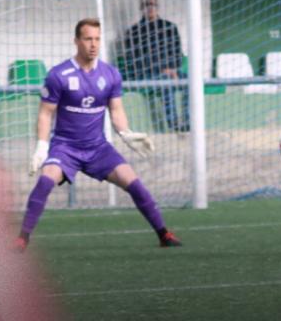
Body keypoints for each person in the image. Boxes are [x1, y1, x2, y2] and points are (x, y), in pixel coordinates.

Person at [15, 18, 182, 251]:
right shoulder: (58, 75)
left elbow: (116, 110)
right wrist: (42, 147)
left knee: (135, 184)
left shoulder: (111, 74)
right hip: (65, 148)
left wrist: (126, 134)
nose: (93, 44)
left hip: (98, 149)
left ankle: (164, 234)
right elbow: (45, 114)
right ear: (76, 41)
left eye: (97, 39)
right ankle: (22, 238)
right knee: (45, 181)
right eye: (88, 39)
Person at [120, 0, 190, 132]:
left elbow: (177, 53)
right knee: (165, 82)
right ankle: (174, 124)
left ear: (157, 7)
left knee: (190, 80)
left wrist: (173, 70)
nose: (150, 8)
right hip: (146, 74)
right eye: (147, 5)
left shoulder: (170, 27)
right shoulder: (134, 32)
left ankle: (188, 122)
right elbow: (135, 60)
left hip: (172, 72)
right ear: (142, 8)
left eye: (153, 5)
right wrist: (163, 70)